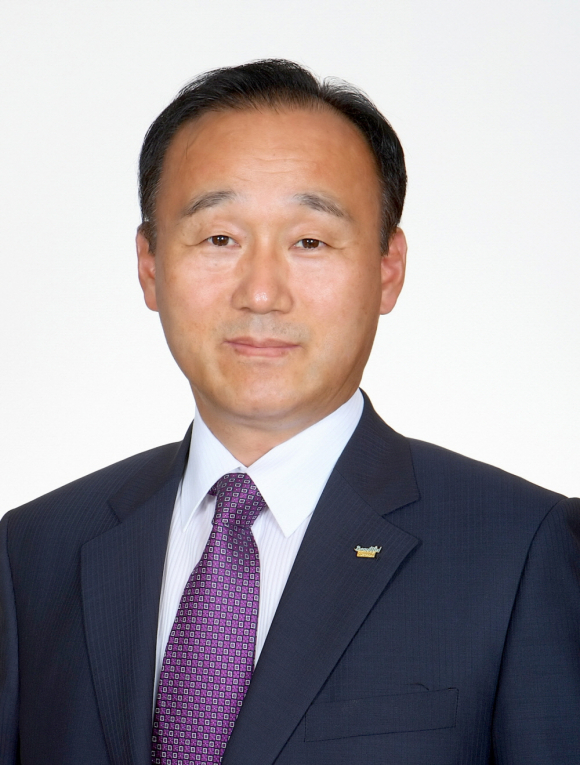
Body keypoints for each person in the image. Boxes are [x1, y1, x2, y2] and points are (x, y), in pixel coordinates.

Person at [1, 59, 579, 765]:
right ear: (150, 265)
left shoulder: (523, 549)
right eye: (219, 238)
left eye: (310, 241)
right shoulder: (34, 551)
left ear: (388, 268)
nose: (262, 292)